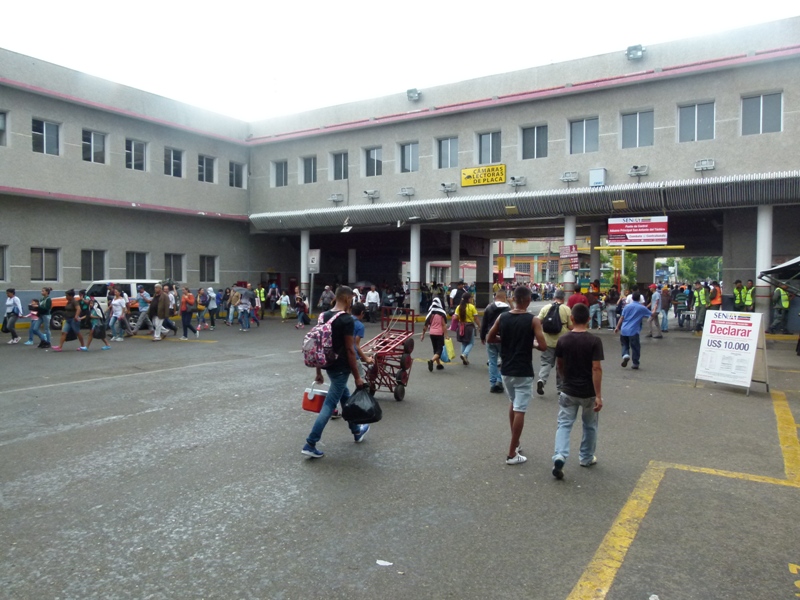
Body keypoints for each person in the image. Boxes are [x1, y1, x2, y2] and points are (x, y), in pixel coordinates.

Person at [301, 286, 369, 459]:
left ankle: (356, 431)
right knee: (329, 405)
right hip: (341, 368)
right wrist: (357, 377)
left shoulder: (324, 315)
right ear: (347, 299)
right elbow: (350, 350)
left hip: (327, 364)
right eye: (351, 299)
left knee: (344, 396)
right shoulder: (346, 320)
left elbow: (318, 344)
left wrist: (318, 371)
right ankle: (310, 443)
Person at [486, 286, 548, 465]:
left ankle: (517, 443)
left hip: (506, 369)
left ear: (513, 299)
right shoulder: (533, 320)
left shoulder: (503, 317)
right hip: (523, 370)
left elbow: (490, 338)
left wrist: (504, 339)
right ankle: (512, 453)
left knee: (513, 403)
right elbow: (543, 346)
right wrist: (532, 343)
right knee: (520, 409)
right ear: (528, 300)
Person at [551, 303, 604, 479]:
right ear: (588, 319)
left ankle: (560, 455)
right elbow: (596, 368)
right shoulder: (594, 341)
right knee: (590, 425)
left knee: (564, 424)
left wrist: (564, 380)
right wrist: (598, 395)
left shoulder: (563, 340)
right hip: (588, 391)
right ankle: (586, 457)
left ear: (572, 318)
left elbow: (559, 365)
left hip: (569, 390)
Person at [536, 289, 573, 396]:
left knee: (546, 362)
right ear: (563, 298)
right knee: (561, 365)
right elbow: (571, 326)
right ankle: (560, 388)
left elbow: (538, 322)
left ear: (554, 297)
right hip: (563, 342)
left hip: (547, 341)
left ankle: (542, 379)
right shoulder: (566, 309)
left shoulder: (545, 308)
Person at [481, 290, 511, 393]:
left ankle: (493, 384)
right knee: (504, 361)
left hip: (490, 337)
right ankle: (499, 381)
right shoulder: (508, 309)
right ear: (504, 297)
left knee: (492, 361)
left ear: (495, 297)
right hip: (503, 338)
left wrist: (482, 336)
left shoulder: (489, 308)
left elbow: (484, 323)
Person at [614, 291, 652, 370]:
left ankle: (625, 355)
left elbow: (621, 317)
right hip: (634, 330)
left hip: (624, 329)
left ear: (632, 298)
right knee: (635, 347)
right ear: (639, 299)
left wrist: (617, 327)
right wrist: (654, 308)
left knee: (624, 344)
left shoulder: (626, 307)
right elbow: (651, 314)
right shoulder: (641, 308)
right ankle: (635, 363)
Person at [421, 297, 449, 373]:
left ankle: (439, 364)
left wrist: (423, 335)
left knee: (435, 349)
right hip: (439, 333)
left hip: (432, 333)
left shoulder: (430, 314)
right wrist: (446, 335)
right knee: (440, 349)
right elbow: (443, 325)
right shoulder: (441, 313)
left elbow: (425, 326)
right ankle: (431, 361)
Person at [453, 292, 480, 365]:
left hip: (461, 326)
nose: (472, 299)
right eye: (471, 298)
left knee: (464, 342)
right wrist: (479, 326)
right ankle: (464, 354)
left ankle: (465, 359)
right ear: (468, 299)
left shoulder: (459, 307)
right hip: (469, 326)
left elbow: (455, 317)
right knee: (471, 343)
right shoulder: (471, 307)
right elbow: (476, 318)